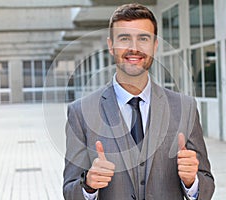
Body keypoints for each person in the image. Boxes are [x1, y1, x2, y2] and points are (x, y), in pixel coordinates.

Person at [63, 3, 214, 200]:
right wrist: (89, 185)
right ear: (111, 45)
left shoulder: (185, 108)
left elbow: (207, 184)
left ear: (155, 45)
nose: (134, 48)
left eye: (143, 38)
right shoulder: (81, 112)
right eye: (124, 38)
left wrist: (191, 183)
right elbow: (69, 191)